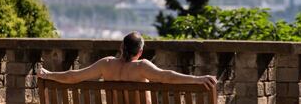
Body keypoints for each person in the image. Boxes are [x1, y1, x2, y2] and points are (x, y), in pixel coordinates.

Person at [37, 31, 217, 90]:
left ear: (121, 48)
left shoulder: (105, 64)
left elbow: (73, 76)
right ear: (140, 51)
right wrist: (197, 79)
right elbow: (167, 77)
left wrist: (48, 74)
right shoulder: (142, 67)